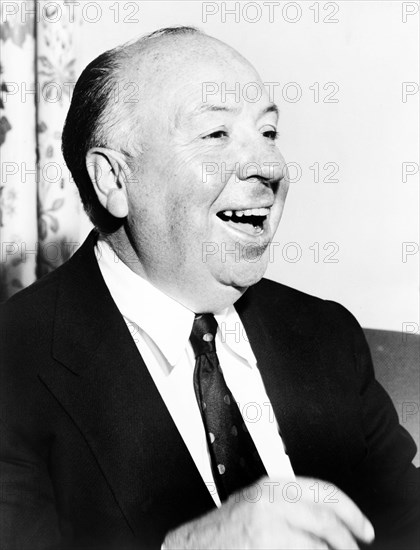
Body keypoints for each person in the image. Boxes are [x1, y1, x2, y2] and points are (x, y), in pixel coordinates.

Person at [0, 26, 418, 550]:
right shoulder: (15, 364)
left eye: (268, 133)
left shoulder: (326, 333)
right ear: (113, 180)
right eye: (216, 134)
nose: (271, 167)